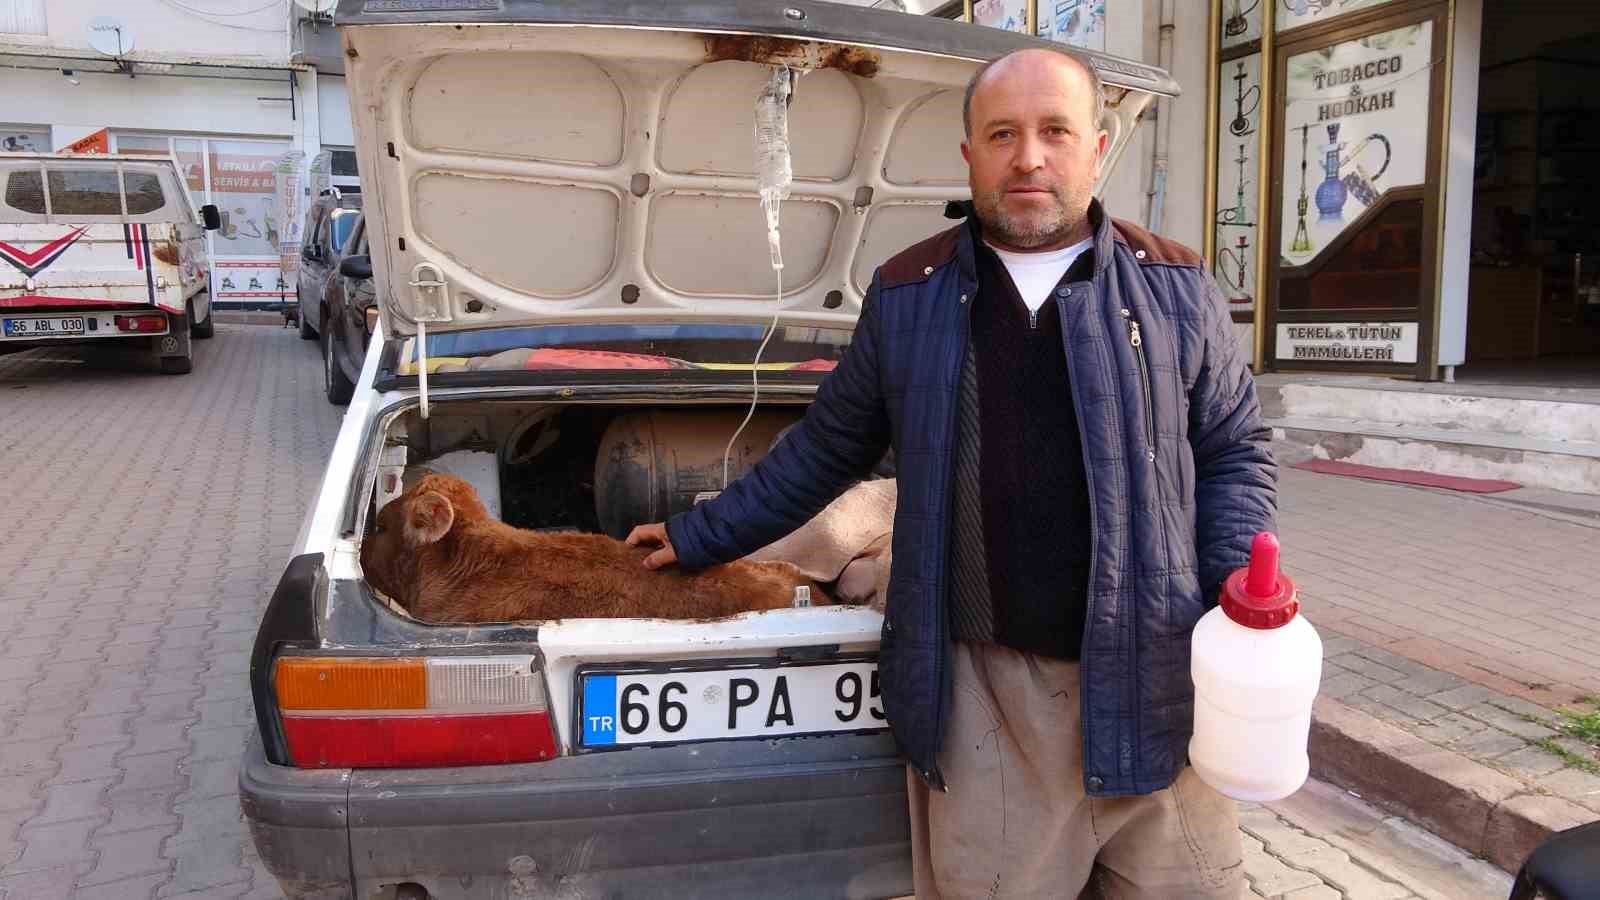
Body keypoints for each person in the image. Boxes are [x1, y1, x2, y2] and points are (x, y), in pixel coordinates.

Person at [627, 46, 1276, 899]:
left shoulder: (1177, 288)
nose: (1029, 157)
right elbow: (826, 450)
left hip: (1159, 681)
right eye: (1003, 134)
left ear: (1098, 147)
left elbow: (1233, 449)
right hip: (990, 702)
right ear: (970, 154)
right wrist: (699, 534)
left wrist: (1235, 584)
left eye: (1055, 131)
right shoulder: (910, 296)